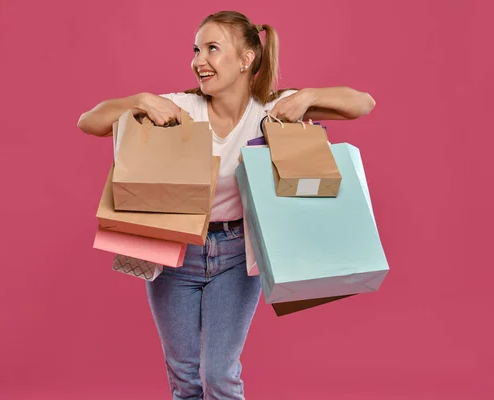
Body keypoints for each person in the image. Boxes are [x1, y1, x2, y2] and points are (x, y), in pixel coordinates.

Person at [77, 10, 375, 400]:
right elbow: (89, 121)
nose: (199, 60)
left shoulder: (270, 110)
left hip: (237, 254)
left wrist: (308, 97)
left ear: (246, 59)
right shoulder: (182, 107)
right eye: (196, 50)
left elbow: (362, 103)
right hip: (176, 252)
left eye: (212, 49)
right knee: (184, 378)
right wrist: (142, 101)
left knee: (219, 374)